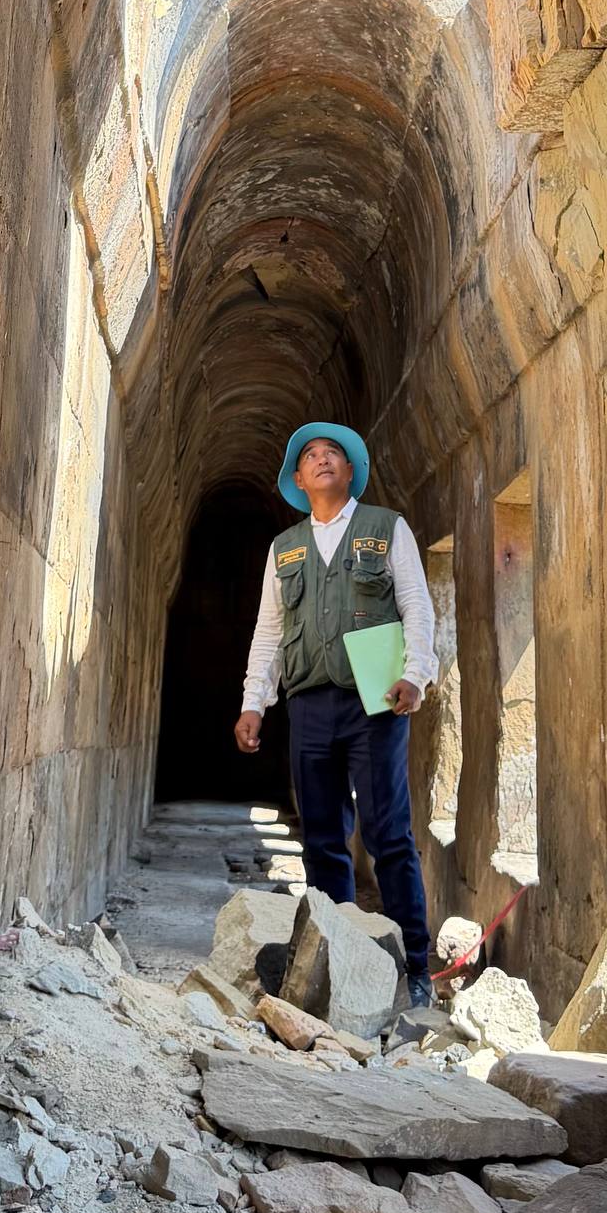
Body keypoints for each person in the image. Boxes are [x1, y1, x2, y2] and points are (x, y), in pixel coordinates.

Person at [234, 421, 437, 1007]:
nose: (322, 460)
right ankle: (339, 960)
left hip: (376, 700)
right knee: (322, 837)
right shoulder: (285, 548)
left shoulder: (386, 528)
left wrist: (416, 673)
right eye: (310, 456)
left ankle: (414, 967)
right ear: (298, 479)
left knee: (387, 834)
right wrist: (254, 703)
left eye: (333, 454)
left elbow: (416, 604)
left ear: (350, 472)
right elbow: (269, 631)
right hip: (309, 706)